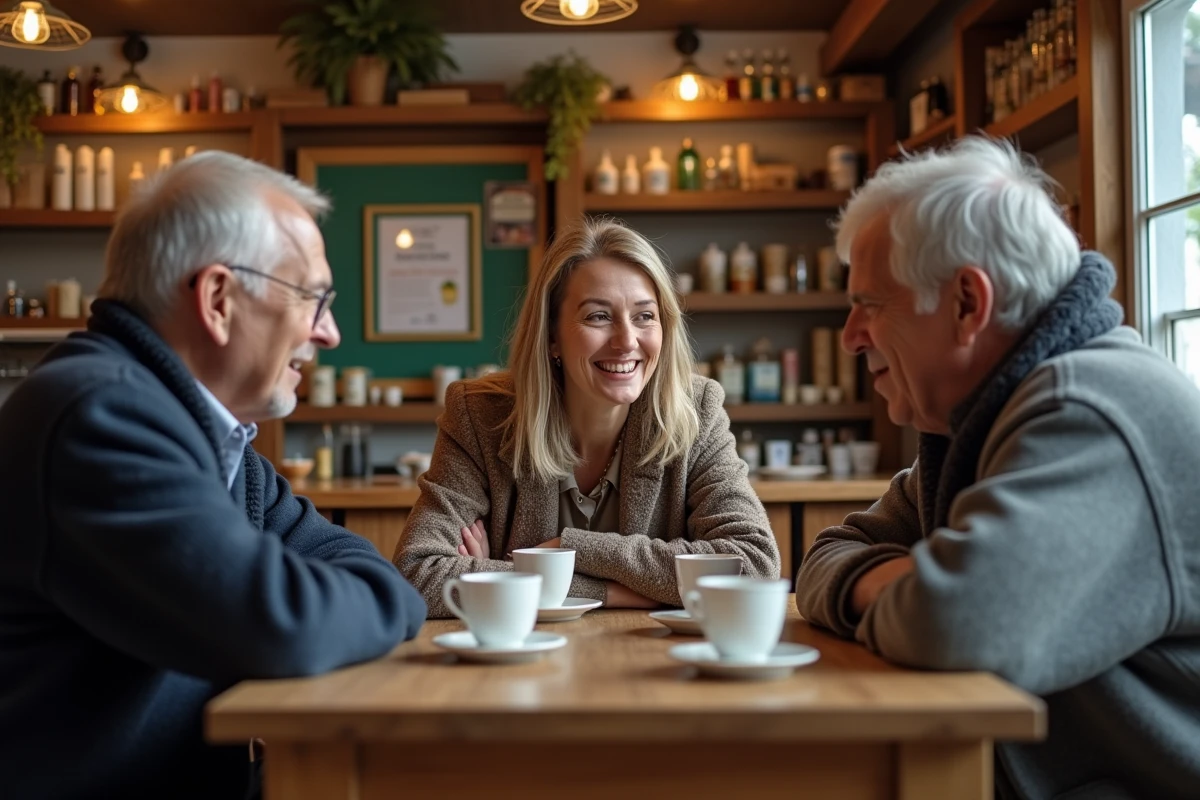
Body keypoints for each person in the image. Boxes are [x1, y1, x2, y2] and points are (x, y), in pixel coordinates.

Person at [0, 151, 427, 799]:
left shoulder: (202, 436)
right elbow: (287, 626)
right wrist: (392, 599)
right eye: (314, 299)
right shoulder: (99, 420)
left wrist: (383, 592)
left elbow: (353, 563)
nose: (330, 333)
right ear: (219, 298)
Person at [795, 136, 1200, 799]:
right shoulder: (986, 419)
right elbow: (832, 553)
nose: (849, 337)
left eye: (870, 303)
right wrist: (902, 577)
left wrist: (917, 581)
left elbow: (952, 622)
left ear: (966, 304)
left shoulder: (1090, 412)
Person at [396, 218, 780, 617]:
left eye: (645, 316)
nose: (627, 341)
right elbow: (416, 576)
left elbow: (753, 566)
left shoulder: (697, 410)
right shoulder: (479, 414)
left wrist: (564, 550)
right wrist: (623, 592)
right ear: (551, 336)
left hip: (653, 665)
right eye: (598, 316)